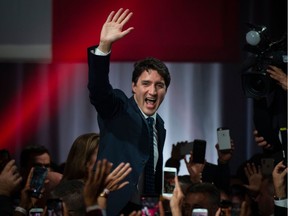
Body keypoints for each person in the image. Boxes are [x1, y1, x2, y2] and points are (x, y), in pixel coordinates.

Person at [87, 8, 171, 215]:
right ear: (134, 86)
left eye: (159, 85)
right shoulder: (118, 108)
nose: (152, 91)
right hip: (112, 207)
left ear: (165, 90)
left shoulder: (159, 125)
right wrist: (104, 47)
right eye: (146, 84)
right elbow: (99, 91)